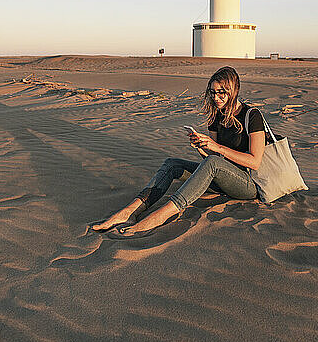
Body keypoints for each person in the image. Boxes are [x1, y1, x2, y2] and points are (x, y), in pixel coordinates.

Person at [91, 66, 265, 237]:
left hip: (247, 184)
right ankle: (130, 211)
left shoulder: (252, 115)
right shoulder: (216, 116)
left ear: (233, 90)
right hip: (222, 178)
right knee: (172, 164)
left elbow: (254, 162)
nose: (216, 97)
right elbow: (214, 158)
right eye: (212, 92)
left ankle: (159, 216)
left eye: (221, 92)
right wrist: (202, 147)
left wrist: (216, 147)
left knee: (212, 164)